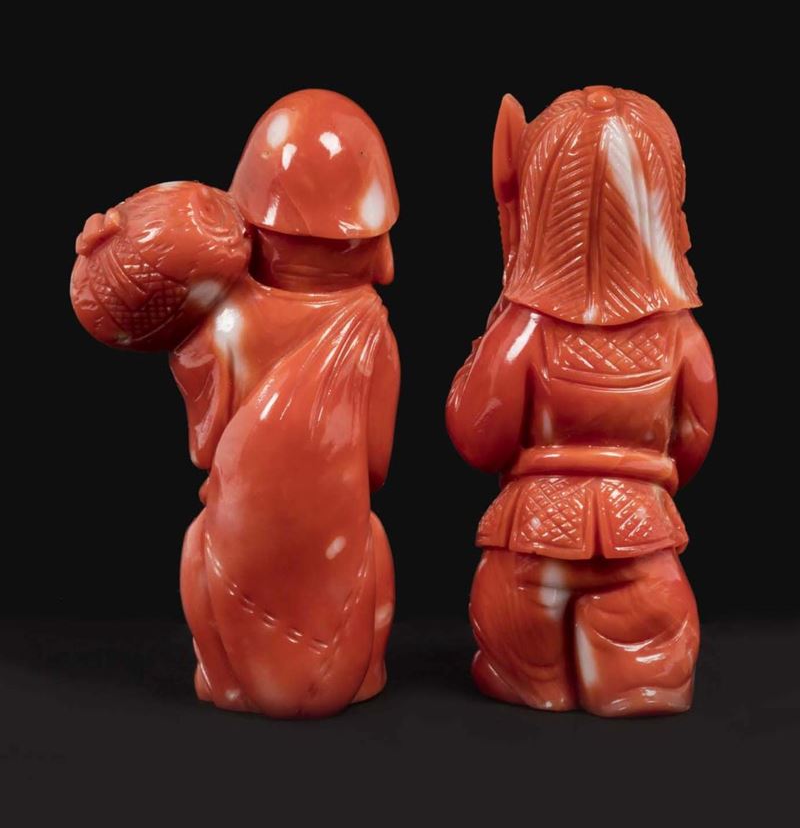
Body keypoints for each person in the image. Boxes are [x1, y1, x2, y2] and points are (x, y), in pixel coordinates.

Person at [73, 90, 400, 718]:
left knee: (200, 539)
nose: (385, 267)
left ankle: (226, 677)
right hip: (333, 560)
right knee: (372, 535)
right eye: (368, 244)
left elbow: (205, 450)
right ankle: (360, 669)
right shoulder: (371, 331)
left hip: (237, 547)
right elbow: (375, 468)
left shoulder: (218, 330)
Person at [446, 86, 717, 716]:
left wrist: (494, 328)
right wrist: (642, 485)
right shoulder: (682, 339)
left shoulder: (524, 331)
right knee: (651, 659)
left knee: (518, 662)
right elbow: (692, 443)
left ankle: (529, 677)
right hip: (642, 551)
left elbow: (477, 437)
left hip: (530, 551)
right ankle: (636, 677)